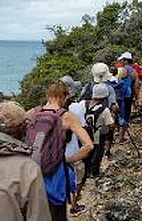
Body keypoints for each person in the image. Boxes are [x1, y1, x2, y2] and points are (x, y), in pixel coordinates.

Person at [29, 81, 93, 221]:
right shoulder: (66, 116)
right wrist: (67, 159)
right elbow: (88, 145)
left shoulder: (33, 113)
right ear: (63, 97)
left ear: (48, 95)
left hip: (33, 170)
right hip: (56, 172)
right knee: (58, 213)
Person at [59, 76, 87, 216]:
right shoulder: (75, 107)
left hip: (55, 152)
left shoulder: (48, 108)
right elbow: (82, 126)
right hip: (73, 151)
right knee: (78, 178)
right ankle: (74, 206)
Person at [80, 83, 115, 177]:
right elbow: (110, 124)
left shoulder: (83, 104)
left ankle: (85, 171)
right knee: (98, 151)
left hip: (84, 131)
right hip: (98, 133)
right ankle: (94, 172)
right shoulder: (105, 110)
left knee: (87, 149)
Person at [116, 52, 140, 144]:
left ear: (125, 60)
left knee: (117, 113)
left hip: (117, 95)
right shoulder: (133, 72)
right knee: (125, 115)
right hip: (127, 95)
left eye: (122, 60)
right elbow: (136, 86)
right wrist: (136, 98)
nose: (120, 61)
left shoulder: (118, 70)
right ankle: (121, 137)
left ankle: (118, 132)